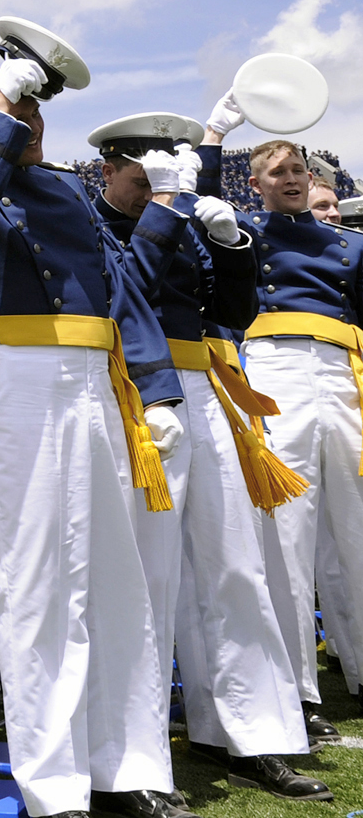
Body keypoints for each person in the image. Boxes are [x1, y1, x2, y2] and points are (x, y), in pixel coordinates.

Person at [0, 28, 185, 818]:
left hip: (92, 384)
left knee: (113, 578)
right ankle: (54, 783)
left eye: (33, 107)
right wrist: (2, 98)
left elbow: (122, 288)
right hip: (21, 381)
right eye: (24, 106)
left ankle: (126, 768)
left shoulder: (66, 190)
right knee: (36, 585)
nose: (37, 121)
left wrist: (158, 389)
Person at [88, 114, 324, 799]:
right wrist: (167, 214)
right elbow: (122, 292)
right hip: (134, 392)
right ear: (110, 170)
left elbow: (232, 309)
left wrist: (230, 245)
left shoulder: (182, 220)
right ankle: (133, 755)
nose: (147, 192)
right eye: (138, 181)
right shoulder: (94, 224)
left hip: (202, 383)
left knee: (234, 564)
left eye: (154, 182)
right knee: (146, 577)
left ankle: (249, 733)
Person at [195, 94, 363, 750]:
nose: (291, 178)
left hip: (343, 377)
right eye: (277, 171)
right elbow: (198, 198)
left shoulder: (350, 245)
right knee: (286, 539)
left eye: (298, 168)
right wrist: (215, 131)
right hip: (275, 374)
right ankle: (299, 687)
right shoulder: (248, 231)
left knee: (354, 530)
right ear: (257, 185)